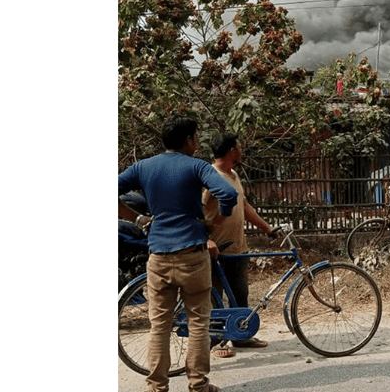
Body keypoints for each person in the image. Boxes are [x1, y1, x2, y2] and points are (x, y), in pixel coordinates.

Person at [117, 115, 238, 392]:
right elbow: (228, 195)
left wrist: (137, 219)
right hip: (193, 256)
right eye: (196, 136)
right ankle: (198, 385)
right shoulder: (197, 167)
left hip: (158, 257)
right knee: (198, 323)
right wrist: (214, 223)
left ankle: (156, 387)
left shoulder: (143, 166)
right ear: (188, 140)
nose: (197, 142)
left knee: (159, 325)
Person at [201, 131, 279, 359]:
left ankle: (240, 335)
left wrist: (267, 228)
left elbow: (244, 206)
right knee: (216, 295)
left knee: (240, 293)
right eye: (240, 148)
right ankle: (217, 340)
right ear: (232, 151)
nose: (242, 151)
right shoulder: (210, 176)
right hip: (217, 250)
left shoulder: (233, 174)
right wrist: (206, 240)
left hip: (238, 249)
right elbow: (198, 212)